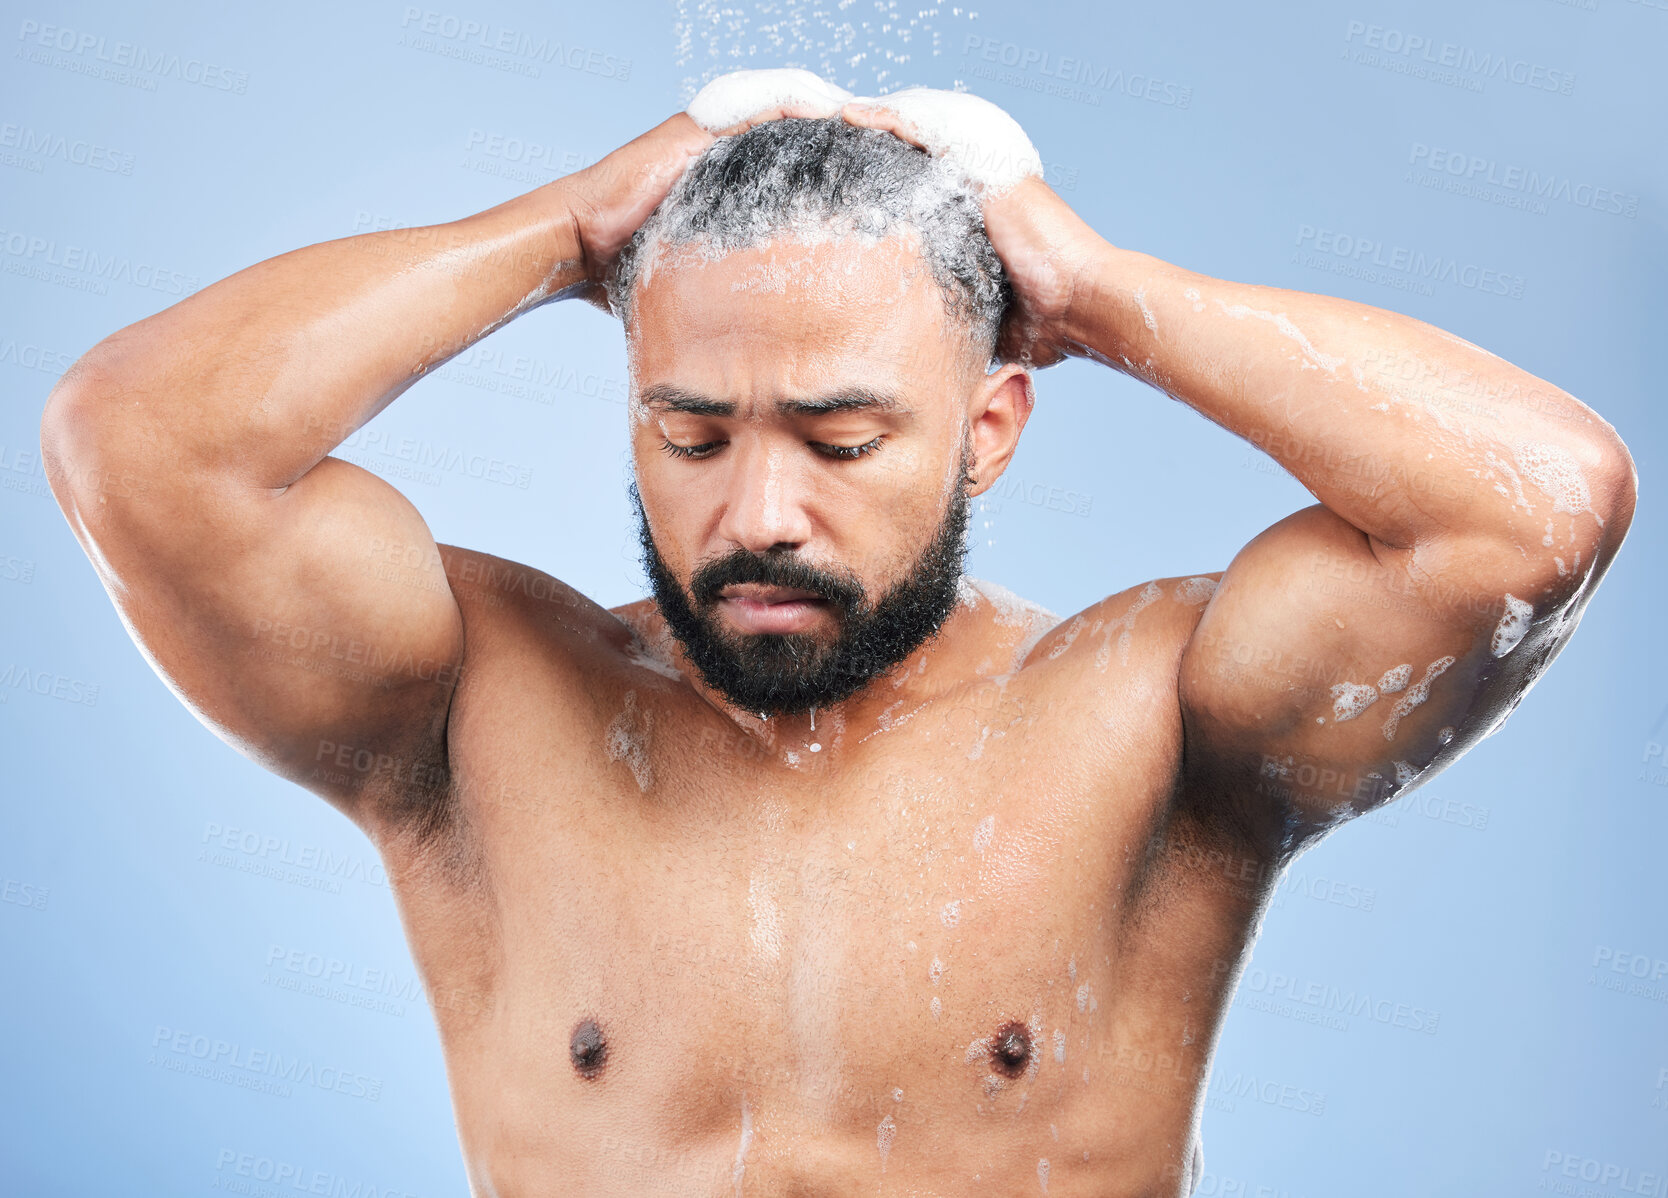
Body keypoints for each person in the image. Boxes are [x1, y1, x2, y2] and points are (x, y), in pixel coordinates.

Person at [40, 68, 1636, 1196]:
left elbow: (1540, 503)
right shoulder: (480, 704)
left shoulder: (1147, 719)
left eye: (842, 437)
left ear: (990, 425)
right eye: (694, 431)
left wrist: (1096, 289)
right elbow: (139, 444)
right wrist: (568, 233)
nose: (758, 515)